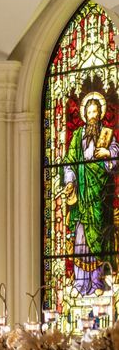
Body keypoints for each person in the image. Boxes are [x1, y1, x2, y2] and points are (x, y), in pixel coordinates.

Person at [62, 94, 119, 295]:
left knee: (99, 238)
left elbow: (114, 158)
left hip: (99, 196)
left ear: (100, 114)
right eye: (89, 112)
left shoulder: (106, 134)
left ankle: (97, 282)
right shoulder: (78, 136)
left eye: (95, 112)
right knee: (80, 238)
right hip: (82, 196)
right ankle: (80, 283)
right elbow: (69, 162)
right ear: (84, 114)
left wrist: (107, 155)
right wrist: (70, 182)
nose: (92, 115)